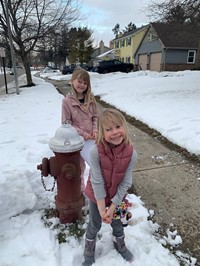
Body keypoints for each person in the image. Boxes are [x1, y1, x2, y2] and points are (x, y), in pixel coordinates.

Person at [83, 108, 137, 266]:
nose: (115, 132)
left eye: (118, 127)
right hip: (96, 196)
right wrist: (102, 210)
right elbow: (97, 181)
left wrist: (113, 207)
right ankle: (88, 249)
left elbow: (126, 182)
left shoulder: (131, 154)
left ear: (124, 127)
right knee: (95, 224)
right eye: (109, 129)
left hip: (118, 196)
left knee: (118, 223)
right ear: (102, 132)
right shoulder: (95, 152)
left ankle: (119, 244)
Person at [61, 67, 99, 190]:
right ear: (72, 81)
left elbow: (96, 116)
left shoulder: (90, 99)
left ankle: (93, 188)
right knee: (79, 167)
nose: (82, 85)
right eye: (79, 81)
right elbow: (66, 123)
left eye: (85, 82)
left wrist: (95, 130)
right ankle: (80, 190)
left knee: (97, 164)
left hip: (92, 139)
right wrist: (82, 133)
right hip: (77, 141)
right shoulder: (67, 101)